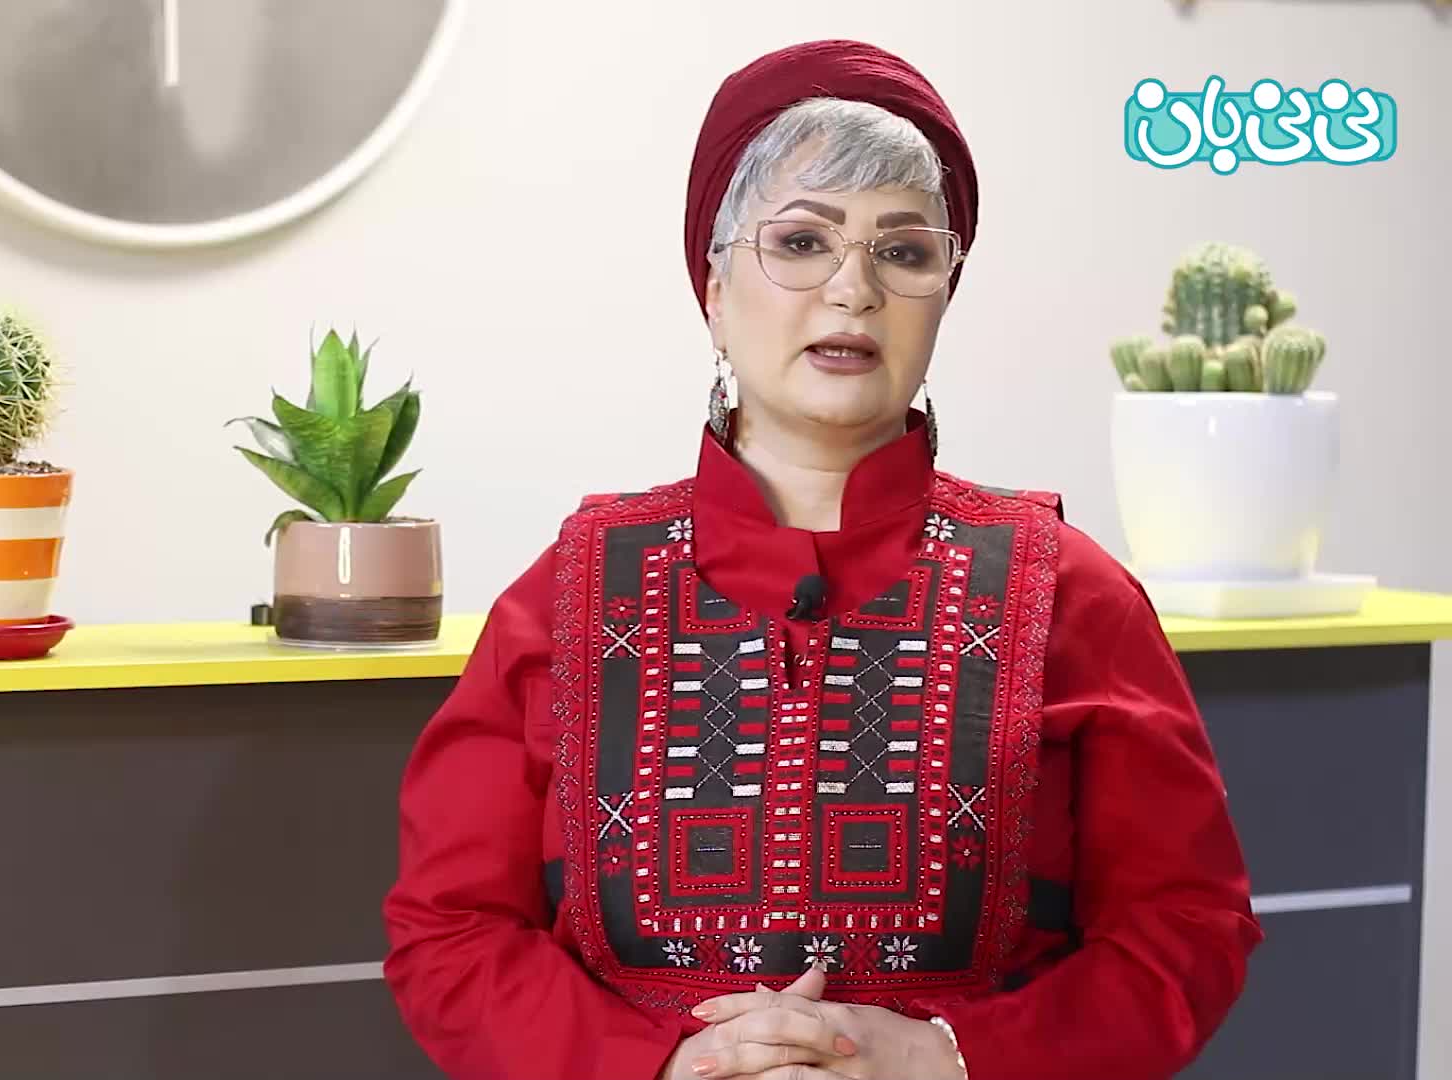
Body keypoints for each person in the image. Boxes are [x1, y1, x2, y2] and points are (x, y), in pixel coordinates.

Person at [381, 39, 1262, 1080]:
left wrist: (945, 1058)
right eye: (801, 242)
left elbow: (1188, 928)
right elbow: (448, 930)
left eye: (904, 252)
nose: (854, 289)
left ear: (943, 293)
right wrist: (667, 1064)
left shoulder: (1070, 592)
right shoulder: (565, 597)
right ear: (714, 288)